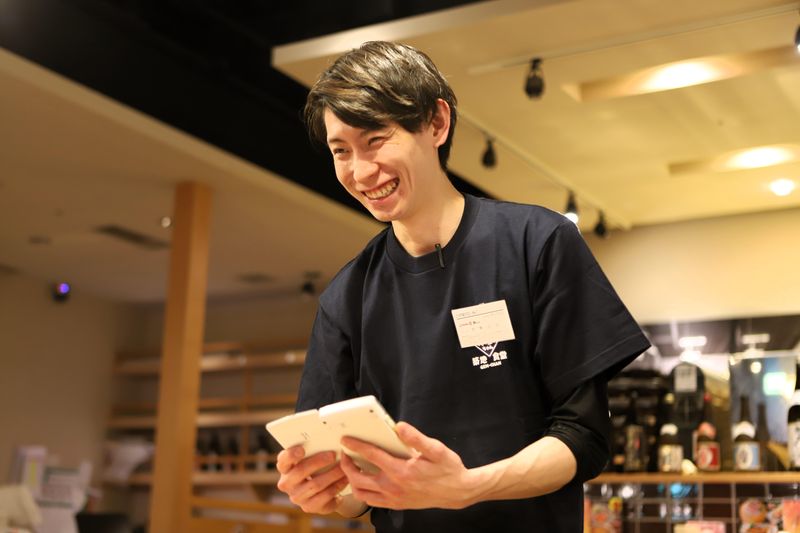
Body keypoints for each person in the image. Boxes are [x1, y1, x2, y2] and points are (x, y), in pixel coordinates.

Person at [275, 41, 650, 532]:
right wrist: (326, 492)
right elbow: (353, 495)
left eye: (376, 140)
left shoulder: (537, 242)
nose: (360, 171)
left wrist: (468, 486)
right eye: (341, 151)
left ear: (436, 123)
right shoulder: (346, 297)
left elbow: (584, 436)